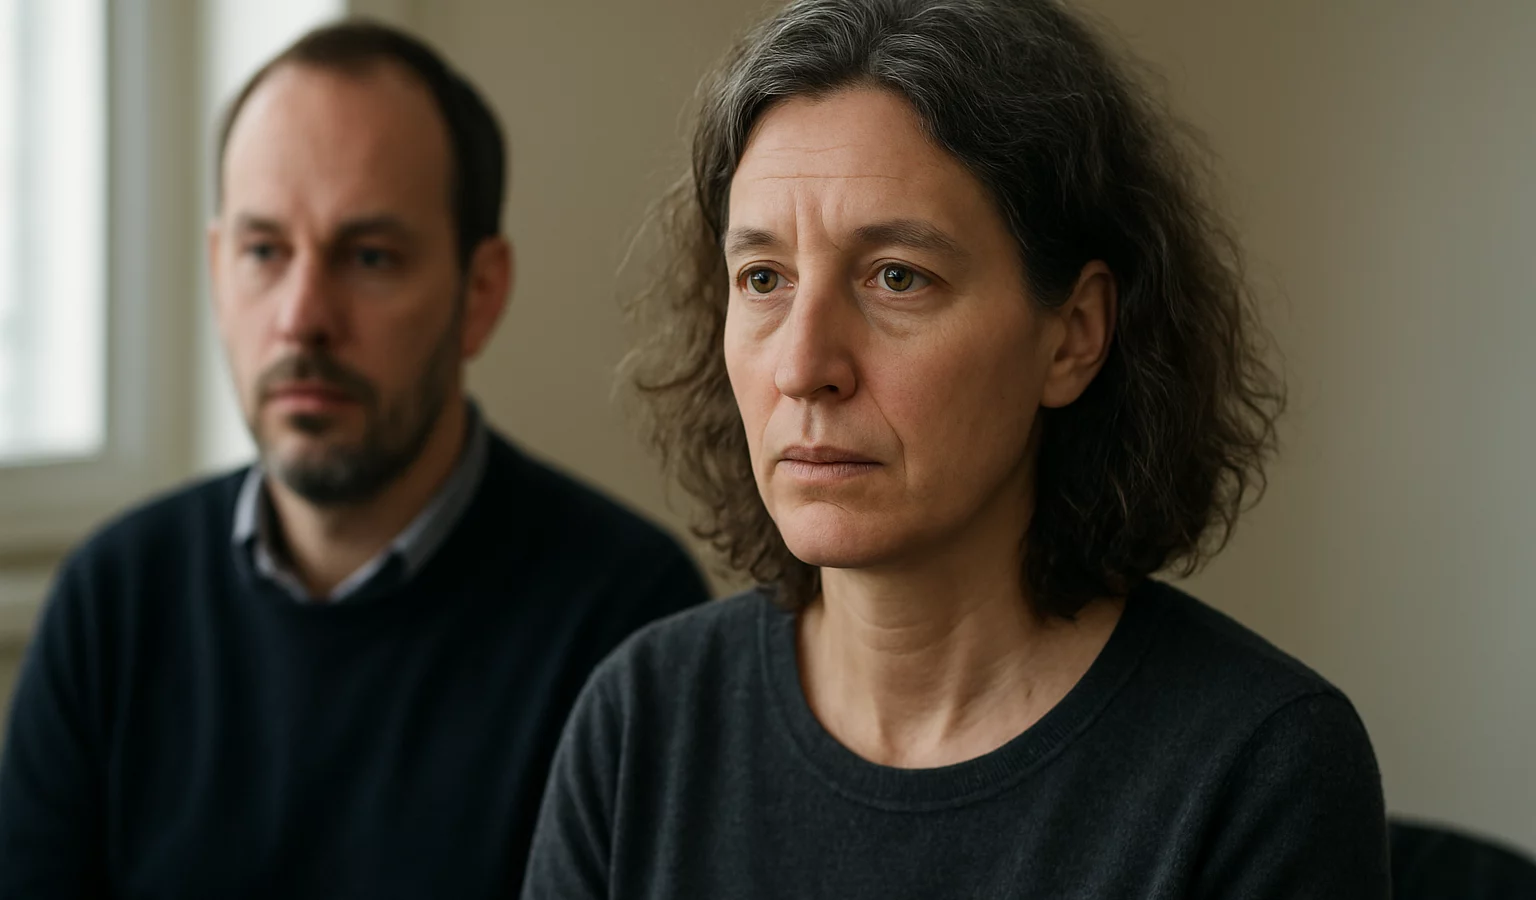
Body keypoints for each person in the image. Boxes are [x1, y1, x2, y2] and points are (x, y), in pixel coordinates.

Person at [521, 0, 1390, 896]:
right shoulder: (640, 722)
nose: (803, 366)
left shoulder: (1259, 768)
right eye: (764, 277)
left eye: (897, 277)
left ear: (1073, 336)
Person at [0, 20, 708, 899]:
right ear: (218, 270)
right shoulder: (113, 602)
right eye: (264, 252)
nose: (301, 318)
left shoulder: (627, 626)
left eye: (370, 257)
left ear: (480, 294)